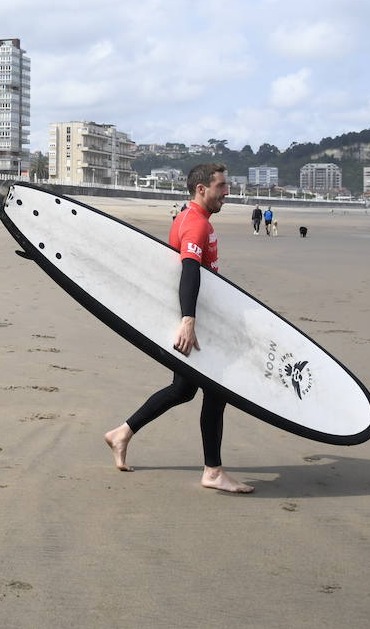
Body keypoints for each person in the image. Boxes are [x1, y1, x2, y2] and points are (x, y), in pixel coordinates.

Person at [102, 163, 253, 494]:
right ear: (202, 189)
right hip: (194, 322)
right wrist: (188, 319)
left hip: (197, 318)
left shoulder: (189, 219)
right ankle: (212, 471)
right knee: (217, 390)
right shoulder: (194, 225)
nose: (227, 192)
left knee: (184, 390)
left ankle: (122, 433)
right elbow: (189, 271)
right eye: (221, 186)